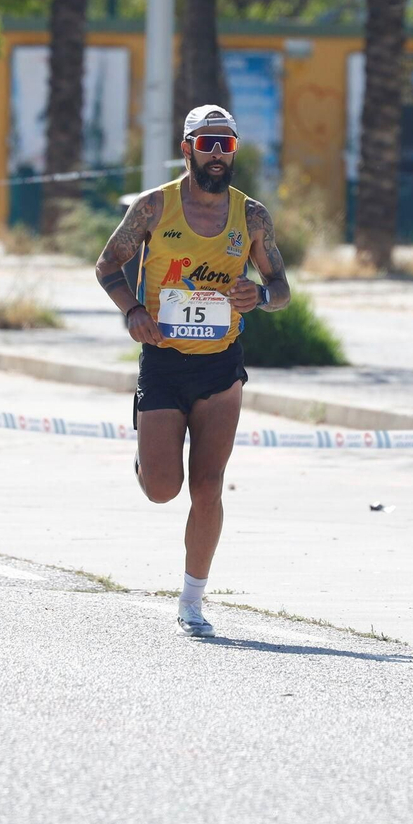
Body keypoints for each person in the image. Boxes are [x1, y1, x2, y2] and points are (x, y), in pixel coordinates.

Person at [93, 104, 291, 637]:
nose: (218, 155)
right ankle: (145, 457)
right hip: (163, 360)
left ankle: (192, 600)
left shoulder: (251, 217)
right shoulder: (154, 208)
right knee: (162, 488)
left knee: (208, 486)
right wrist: (133, 311)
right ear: (187, 149)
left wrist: (260, 295)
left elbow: (282, 289)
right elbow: (107, 264)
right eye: (207, 144)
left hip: (221, 369)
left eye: (226, 145)